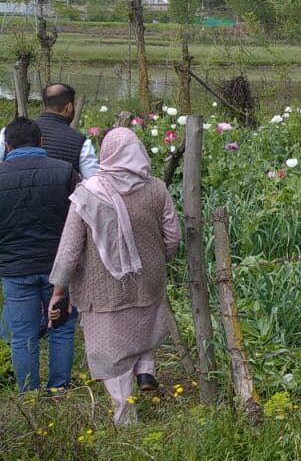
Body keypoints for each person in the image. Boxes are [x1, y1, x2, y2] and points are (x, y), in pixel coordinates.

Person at [48, 128, 180, 425]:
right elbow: (173, 236)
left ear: (107, 154)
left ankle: (125, 417)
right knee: (141, 330)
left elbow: (70, 247)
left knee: (111, 350)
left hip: (103, 287)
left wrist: (59, 290)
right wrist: (157, 262)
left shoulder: (88, 192)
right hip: (148, 280)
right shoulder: (157, 188)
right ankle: (146, 368)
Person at [0, 118, 79, 394]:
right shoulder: (64, 172)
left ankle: (29, 395)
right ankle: (59, 390)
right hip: (59, 267)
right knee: (62, 328)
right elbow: (79, 218)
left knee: (22, 336)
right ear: (41, 141)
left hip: (14, 269)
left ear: (7, 145)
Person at [0, 83, 99, 178]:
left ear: (44, 105)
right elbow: (92, 184)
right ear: (69, 107)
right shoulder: (81, 143)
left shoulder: (8, 133)